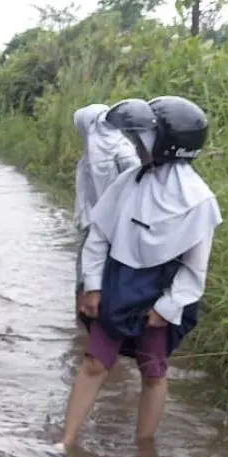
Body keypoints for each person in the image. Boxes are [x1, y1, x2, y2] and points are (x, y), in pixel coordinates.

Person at [57, 96, 222, 449]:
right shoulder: (130, 181)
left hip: (161, 293)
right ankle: (66, 442)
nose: (135, 144)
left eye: (143, 138)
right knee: (94, 363)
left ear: (169, 144)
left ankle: (144, 451)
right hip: (119, 284)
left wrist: (167, 308)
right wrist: (92, 285)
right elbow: (100, 234)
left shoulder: (199, 201)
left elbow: (195, 270)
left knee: (153, 372)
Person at [72, 103, 140, 312]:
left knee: (99, 271)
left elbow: (138, 186)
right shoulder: (91, 152)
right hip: (93, 221)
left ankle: (94, 317)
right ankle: (84, 317)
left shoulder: (124, 152)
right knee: (86, 271)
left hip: (115, 223)